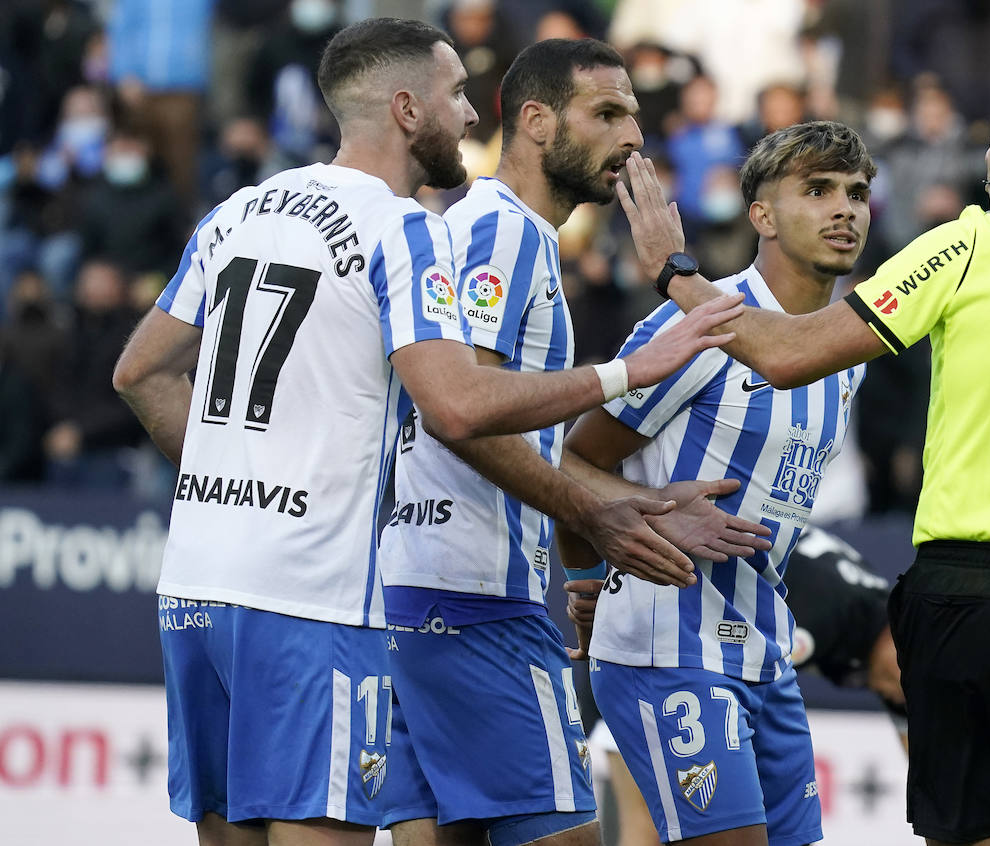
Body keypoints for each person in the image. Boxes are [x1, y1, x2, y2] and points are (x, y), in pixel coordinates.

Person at [111, 18, 746, 846]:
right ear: (409, 110)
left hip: (199, 580)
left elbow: (138, 373)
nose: (471, 116)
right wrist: (630, 377)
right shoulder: (421, 229)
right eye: (455, 96)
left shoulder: (243, 205)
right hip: (347, 597)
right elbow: (458, 410)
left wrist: (235, 485)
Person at [620, 56, 990, 846]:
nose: (987, 153)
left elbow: (788, 352)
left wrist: (675, 273)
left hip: (971, 593)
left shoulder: (965, 245)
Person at [377, 38, 771, 846]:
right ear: (536, 121)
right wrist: (621, 399)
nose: (633, 136)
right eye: (607, 113)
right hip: (475, 602)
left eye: (633, 113)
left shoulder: (496, 232)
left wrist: (643, 505)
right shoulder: (506, 233)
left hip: (419, 596)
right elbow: (468, 416)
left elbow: (515, 432)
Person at [557, 119, 877, 846]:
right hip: (670, 653)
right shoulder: (693, 326)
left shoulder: (844, 354)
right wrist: (592, 568)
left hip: (768, 654)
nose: (844, 209)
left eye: (857, 193)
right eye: (818, 189)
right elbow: (570, 463)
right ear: (760, 213)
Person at [569, 524, 908, 846]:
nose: (899, 694)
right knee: (645, 824)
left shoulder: (885, 634)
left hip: (691, 639)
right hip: (651, 645)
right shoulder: (829, 617)